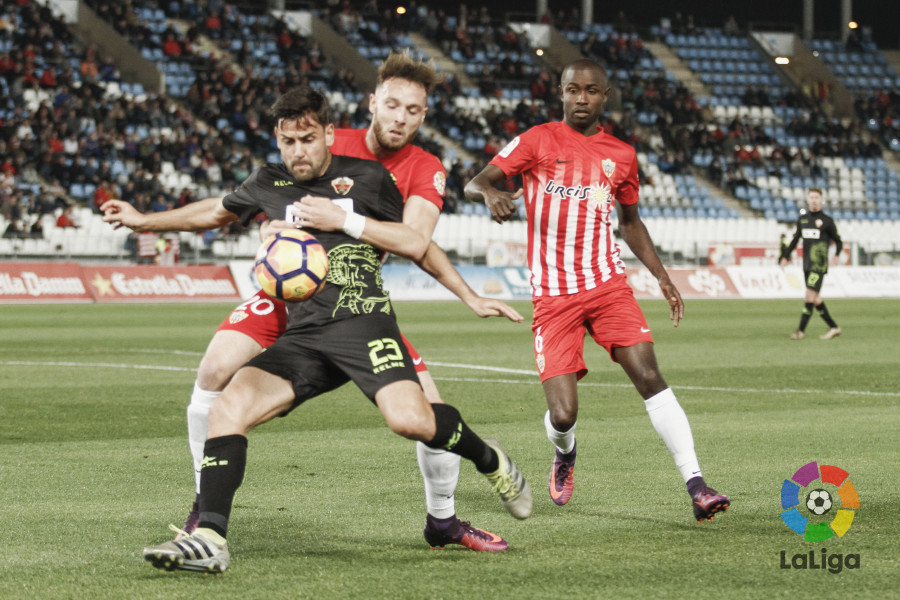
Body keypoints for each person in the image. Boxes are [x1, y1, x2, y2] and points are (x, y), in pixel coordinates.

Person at [103, 87, 531, 573]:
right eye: (288, 141)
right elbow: (215, 211)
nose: (298, 151)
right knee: (228, 406)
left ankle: (489, 459)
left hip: (363, 322)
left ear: (329, 133)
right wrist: (144, 222)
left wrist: (467, 293)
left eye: (307, 139)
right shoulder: (268, 181)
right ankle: (209, 537)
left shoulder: (368, 178)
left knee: (412, 420)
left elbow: (415, 243)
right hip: (302, 332)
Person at [464, 59, 729, 523]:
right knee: (563, 415)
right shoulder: (537, 140)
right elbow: (477, 180)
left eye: (590, 91)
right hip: (554, 296)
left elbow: (630, 222)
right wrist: (491, 194)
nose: (580, 98)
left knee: (649, 376)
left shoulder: (621, 155)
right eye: (572, 90)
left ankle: (697, 484)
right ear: (561, 94)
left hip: (608, 286)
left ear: (606, 95)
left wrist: (662, 277)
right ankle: (564, 453)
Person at [779, 188, 842, 340]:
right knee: (815, 299)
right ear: (807, 200)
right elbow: (795, 240)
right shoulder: (803, 220)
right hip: (806, 265)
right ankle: (834, 327)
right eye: (811, 197)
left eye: (816, 197)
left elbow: (838, 241)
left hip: (818, 266)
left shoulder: (827, 221)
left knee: (809, 297)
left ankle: (800, 331)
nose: (814, 200)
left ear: (821, 200)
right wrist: (785, 256)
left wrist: (836, 255)